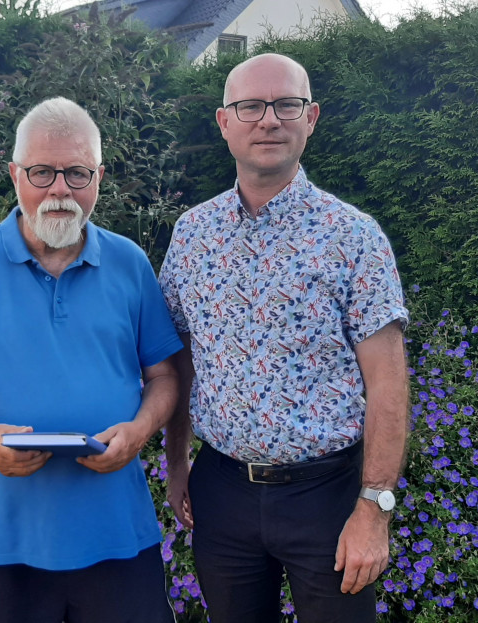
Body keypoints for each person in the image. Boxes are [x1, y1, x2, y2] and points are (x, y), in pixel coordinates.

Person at [0, 97, 182, 623]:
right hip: (4, 544)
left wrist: (140, 431)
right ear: (15, 175)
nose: (60, 189)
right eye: (42, 172)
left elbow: (164, 375)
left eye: (77, 173)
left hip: (119, 535)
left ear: (99, 177)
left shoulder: (129, 262)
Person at [158, 53, 410, 623]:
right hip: (221, 491)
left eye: (286, 105)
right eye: (250, 106)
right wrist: (176, 465)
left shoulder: (354, 237)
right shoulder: (192, 233)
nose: (268, 120)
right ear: (225, 122)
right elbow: (179, 359)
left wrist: (375, 508)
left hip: (327, 498)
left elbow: (388, 383)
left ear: (310, 117)